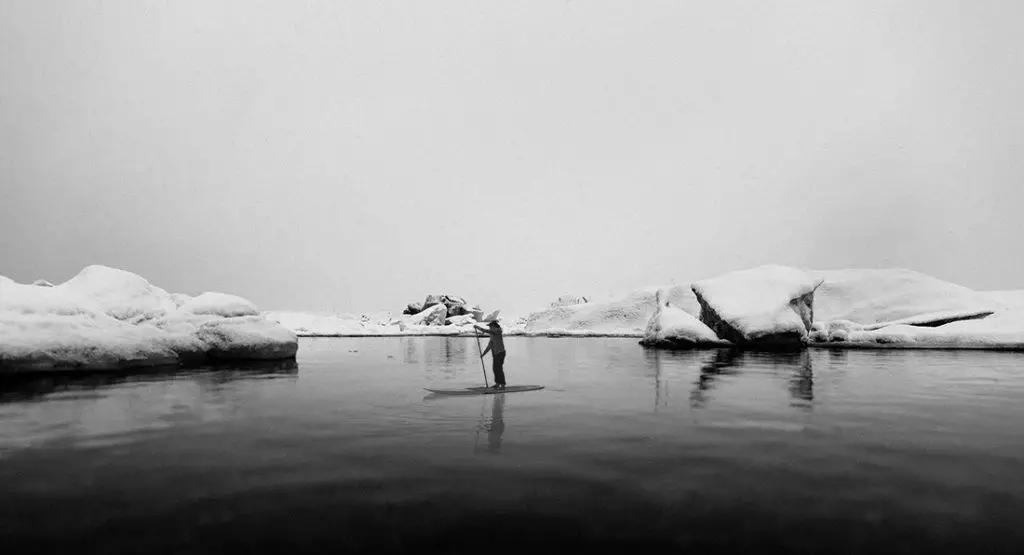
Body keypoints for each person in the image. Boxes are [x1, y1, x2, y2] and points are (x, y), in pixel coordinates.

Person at [475, 321, 506, 389]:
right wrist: (483, 354)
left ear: (494, 326)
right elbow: (489, 346)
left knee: (499, 369)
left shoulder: (497, 331)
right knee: (495, 368)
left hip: (500, 353)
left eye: (490, 326)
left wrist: (478, 328)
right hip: (495, 353)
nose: (489, 328)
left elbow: (488, 331)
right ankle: (497, 384)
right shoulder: (492, 335)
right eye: (489, 327)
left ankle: (502, 385)